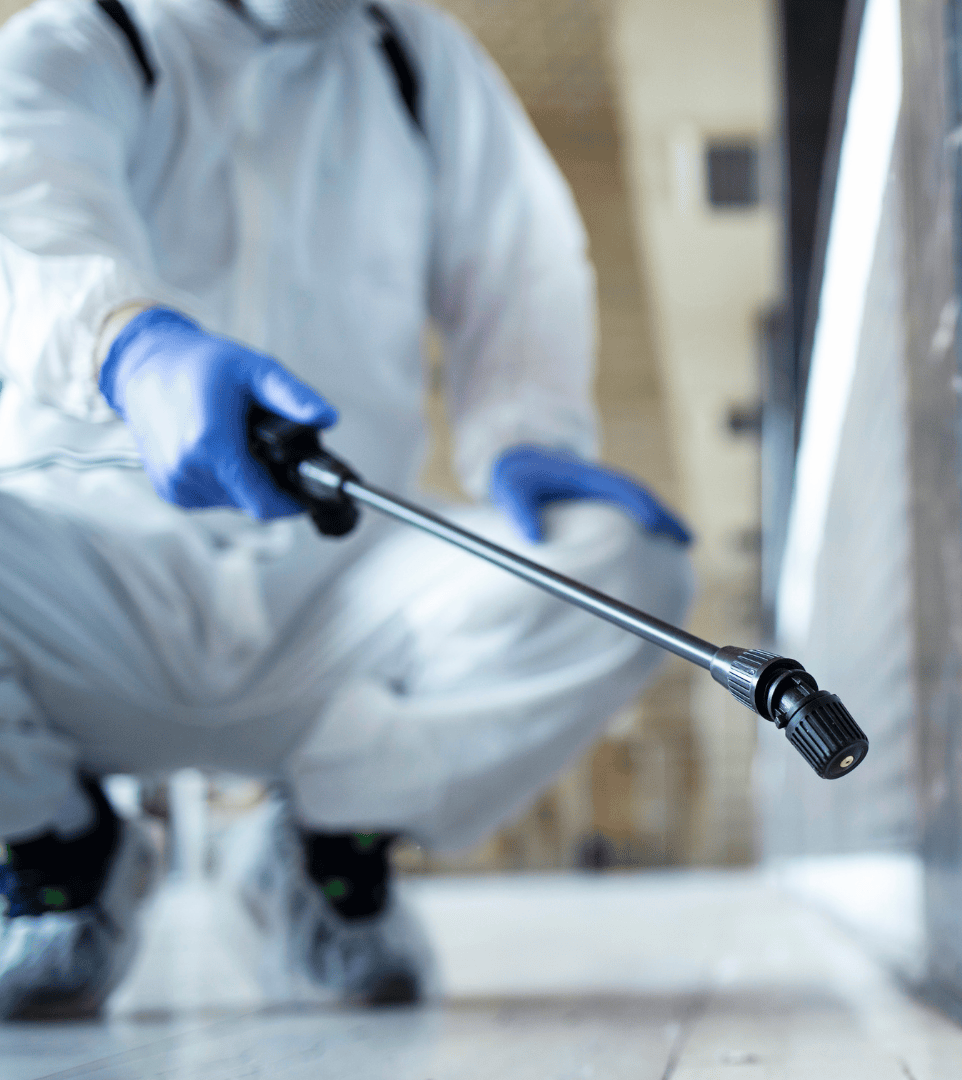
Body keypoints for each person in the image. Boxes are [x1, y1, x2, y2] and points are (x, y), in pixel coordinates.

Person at [0, 0, 695, 1017]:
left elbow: (520, 258)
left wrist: (526, 429)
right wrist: (128, 344)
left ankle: (330, 847)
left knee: (623, 564)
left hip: (341, 589)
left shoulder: (418, 63)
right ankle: (55, 848)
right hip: (87, 584)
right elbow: (26, 204)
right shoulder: (83, 38)